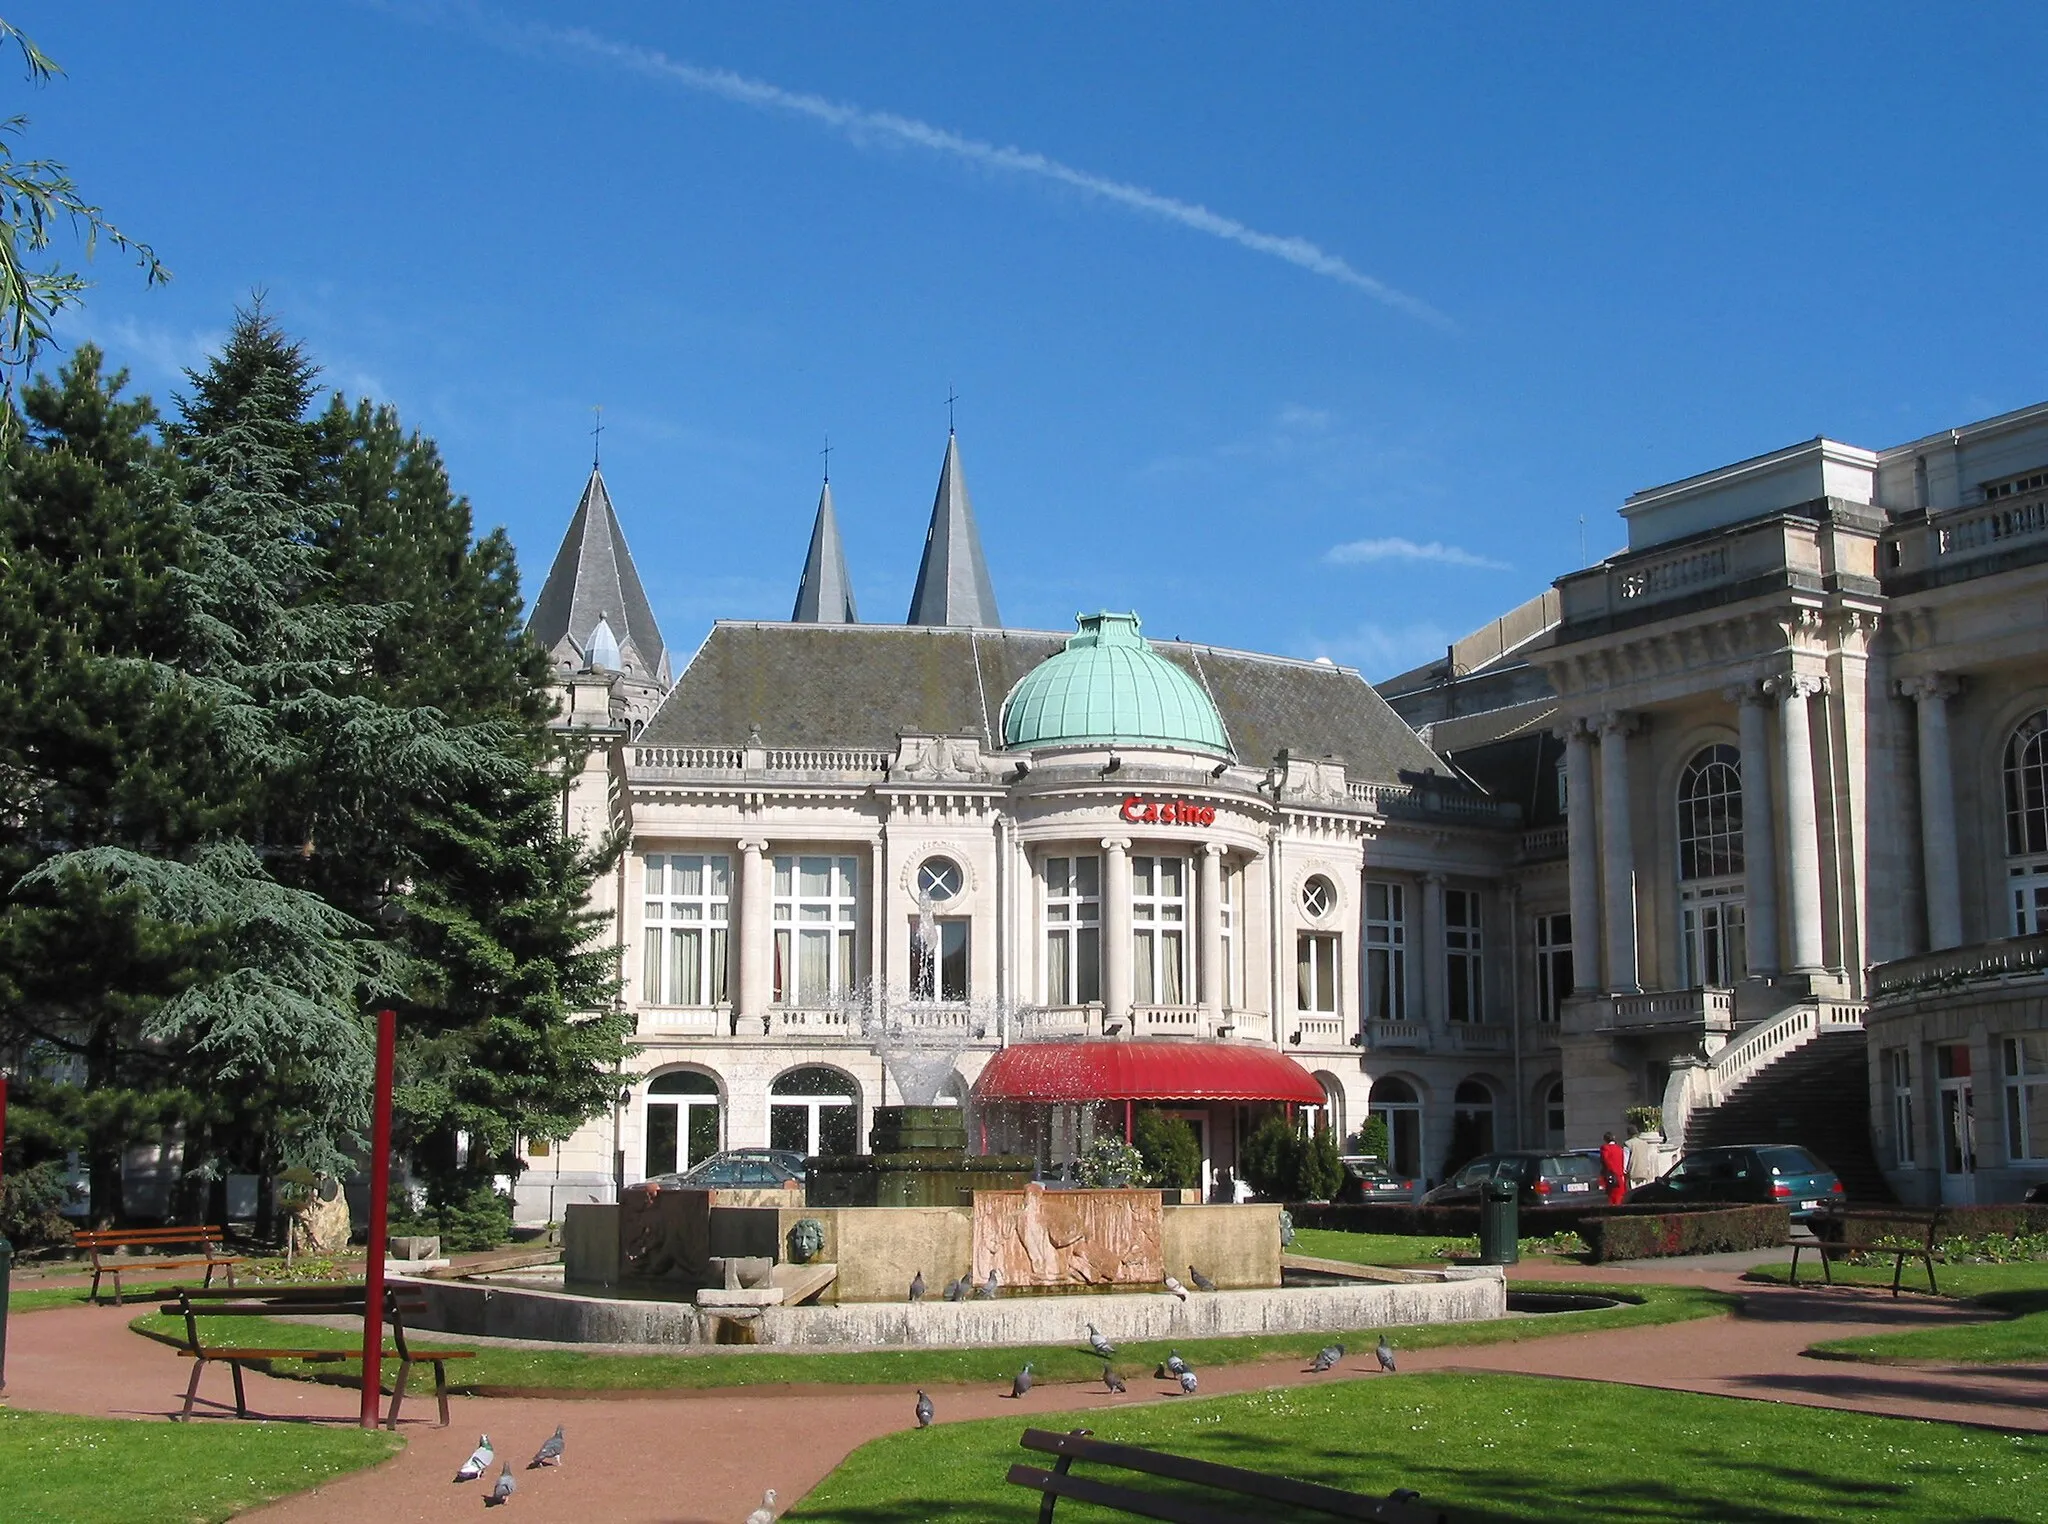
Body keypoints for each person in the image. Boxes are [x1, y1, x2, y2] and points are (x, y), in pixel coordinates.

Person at [1599, 1131, 1629, 1206]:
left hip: (1611, 1176)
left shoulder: (1605, 1148)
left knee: (1611, 1198)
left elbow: (1605, 1161)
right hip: (1620, 1176)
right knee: (1620, 1197)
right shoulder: (1619, 1148)